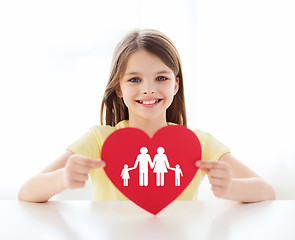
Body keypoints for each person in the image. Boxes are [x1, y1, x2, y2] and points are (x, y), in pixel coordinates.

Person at [18, 29, 276, 203]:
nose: (149, 89)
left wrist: (232, 187)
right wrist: (62, 178)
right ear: (119, 87)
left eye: (161, 78)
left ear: (176, 85)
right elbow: (27, 192)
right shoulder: (98, 140)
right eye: (135, 79)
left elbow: (266, 191)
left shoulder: (198, 143)